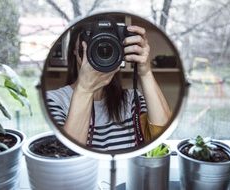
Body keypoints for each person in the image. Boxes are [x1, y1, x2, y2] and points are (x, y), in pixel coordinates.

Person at [46, 23, 171, 152]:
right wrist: (85, 89)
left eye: (109, 40)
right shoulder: (54, 100)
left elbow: (161, 141)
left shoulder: (132, 99)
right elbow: (65, 157)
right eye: (90, 37)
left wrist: (145, 72)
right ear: (75, 49)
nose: (101, 48)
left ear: (122, 48)